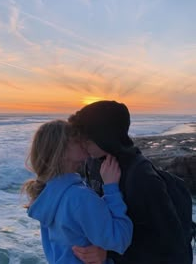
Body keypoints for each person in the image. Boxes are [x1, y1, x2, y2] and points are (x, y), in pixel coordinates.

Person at [68, 100, 193, 264]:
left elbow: (170, 245)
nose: (83, 145)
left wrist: (109, 254)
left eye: (88, 140)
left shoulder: (142, 177)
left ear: (105, 137)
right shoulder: (93, 162)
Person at [22, 120, 133, 264]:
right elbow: (119, 239)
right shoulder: (80, 197)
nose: (84, 143)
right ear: (61, 152)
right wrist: (111, 189)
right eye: (76, 140)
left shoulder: (46, 194)